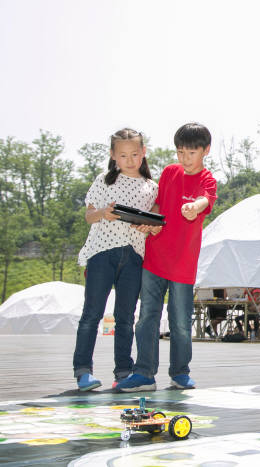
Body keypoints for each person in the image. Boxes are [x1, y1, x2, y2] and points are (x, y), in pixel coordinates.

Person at [116, 123, 217, 392]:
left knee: (180, 321)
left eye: (191, 153)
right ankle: (145, 373)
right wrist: (148, 220)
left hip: (183, 264)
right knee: (147, 316)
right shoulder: (171, 172)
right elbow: (158, 204)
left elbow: (205, 200)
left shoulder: (207, 179)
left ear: (206, 151)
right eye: (180, 152)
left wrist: (193, 207)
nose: (184, 158)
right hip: (155, 257)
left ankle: (180, 372)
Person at [72, 128, 159, 391]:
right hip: (102, 253)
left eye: (135, 154)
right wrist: (103, 213)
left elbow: (155, 220)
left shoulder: (152, 188)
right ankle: (83, 370)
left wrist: (149, 224)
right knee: (92, 314)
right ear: (113, 156)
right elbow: (89, 216)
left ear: (143, 153)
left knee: (125, 317)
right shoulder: (104, 181)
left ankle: (123, 371)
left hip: (134, 257)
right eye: (123, 155)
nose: (130, 160)